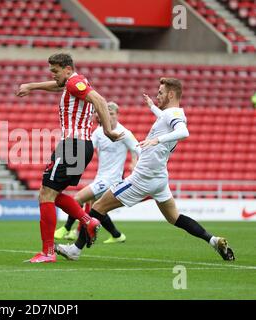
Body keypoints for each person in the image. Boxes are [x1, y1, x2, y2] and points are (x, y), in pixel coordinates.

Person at [55, 78, 235, 262]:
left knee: (98, 207)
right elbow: (166, 119)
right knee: (175, 218)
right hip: (159, 178)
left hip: (142, 178)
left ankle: (75, 250)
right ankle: (213, 240)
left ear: (171, 94)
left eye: (160, 93)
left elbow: (184, 132)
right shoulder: (171, 114)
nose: (157, 96)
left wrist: (159, 140)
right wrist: (151, 107)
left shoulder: (173, 115)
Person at [16, 53, 123, 263]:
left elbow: (99, 100)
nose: (53, 75)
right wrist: (31, 86)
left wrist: (108, 130)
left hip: (72, 146)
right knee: (51, 194)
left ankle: (48, 252)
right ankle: (88, 221)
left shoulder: (74, 82)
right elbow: (59, 86)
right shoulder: (74, 82)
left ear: (67, 69)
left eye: (56, 71)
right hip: (80, 147)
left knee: (45, 195)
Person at [54, 102, 140, 243]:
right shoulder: (99, 132)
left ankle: (67, 228)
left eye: (112, 113)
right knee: (97, 209)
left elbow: (137, 149)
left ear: (117, 115)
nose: (109, 116)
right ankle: (116, 235)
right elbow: (87, 149)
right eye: (106, 113)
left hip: (112, 179)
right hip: (100, 177)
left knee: (78, 198)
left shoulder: (124, 133)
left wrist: (135, 162)